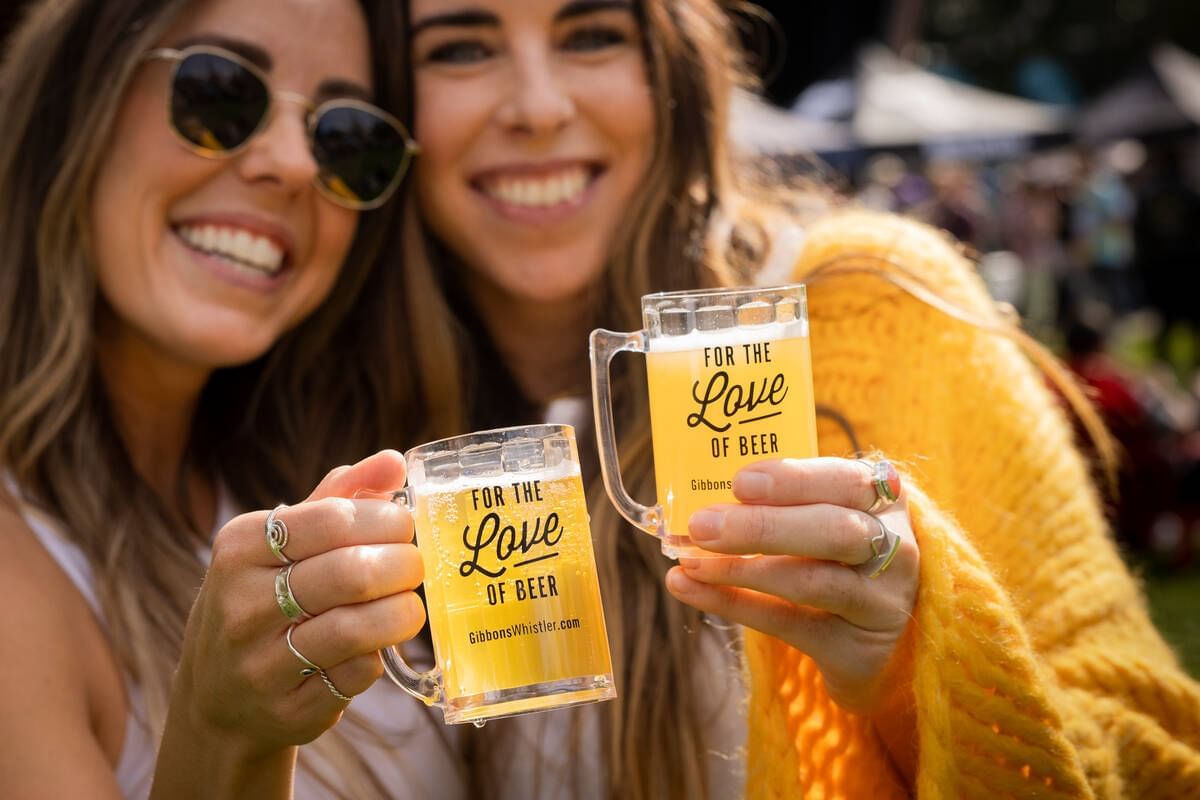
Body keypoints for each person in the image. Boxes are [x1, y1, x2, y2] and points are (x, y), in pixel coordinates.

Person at [366, 0, 1200, 797]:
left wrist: (917, 672)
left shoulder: (872, 304)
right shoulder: (323, 395)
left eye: (590, 34)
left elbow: (1153, 753)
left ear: (675, 68)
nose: (539, 107)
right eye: (461, 48)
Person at [0, 0, 466, 798]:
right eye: (219, 92)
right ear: (78, 99)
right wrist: (221, 735)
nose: (289, 163)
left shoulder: (331, 457)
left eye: (346, 139)